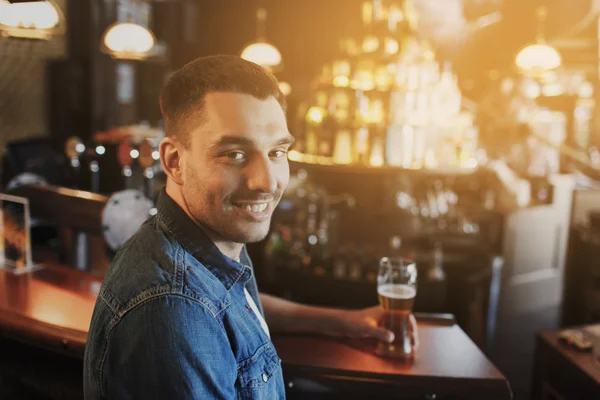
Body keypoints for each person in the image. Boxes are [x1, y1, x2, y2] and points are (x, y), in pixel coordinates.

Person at [83, 54, 414, 399]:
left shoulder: (203, 246)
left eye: (277, 152)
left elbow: (232, 304)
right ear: (174, 161)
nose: (267, 182)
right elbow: (198, 310)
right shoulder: (173, 310)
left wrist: (341, 321)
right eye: (234, 154)